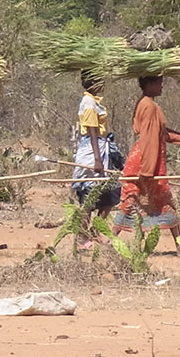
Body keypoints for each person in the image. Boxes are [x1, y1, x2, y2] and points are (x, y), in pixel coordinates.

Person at [113, 76, 180, 255]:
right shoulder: (149, 106)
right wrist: (147, 170)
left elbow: (160, 133)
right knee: (133, 201)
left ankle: (179, 246)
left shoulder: (146, 103)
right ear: (150, 84)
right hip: (145, 162)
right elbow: (148, 138)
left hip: (148, 161)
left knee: (161, 202)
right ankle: (111, 239)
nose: (162, 86)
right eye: (159, 83)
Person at [71, 71, 123, 248]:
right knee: (89, 197)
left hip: (102, 148)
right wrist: (97, 159)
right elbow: (92, 130)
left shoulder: (95, 101)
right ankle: (81, 237)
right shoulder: (88, 102)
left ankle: (95, 231)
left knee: (110, 194)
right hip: (92, 151)